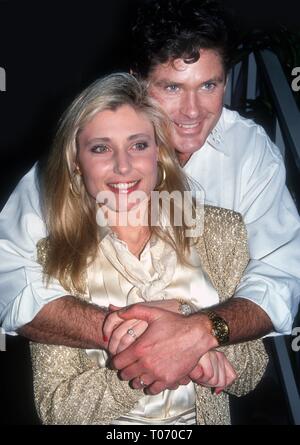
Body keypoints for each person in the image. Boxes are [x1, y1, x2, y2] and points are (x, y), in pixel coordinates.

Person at [0, 0, 299, 392]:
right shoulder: (84, 148)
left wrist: (198, 333)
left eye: (209, 85)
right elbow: (6, 274)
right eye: (172, 87)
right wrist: (129, 332)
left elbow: (284, 272)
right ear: (136, 81)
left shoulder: (250, 151)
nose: (192, 111)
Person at [30, 72, 267, 425]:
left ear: (159, 152)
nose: (123, 165)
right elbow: (56, 411)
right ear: (76, 162)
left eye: (139, 145)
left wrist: (191, 333)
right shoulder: (52, 256)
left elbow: (252, 372)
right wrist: (151, 356)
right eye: (101, 148)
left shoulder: (222, 230)